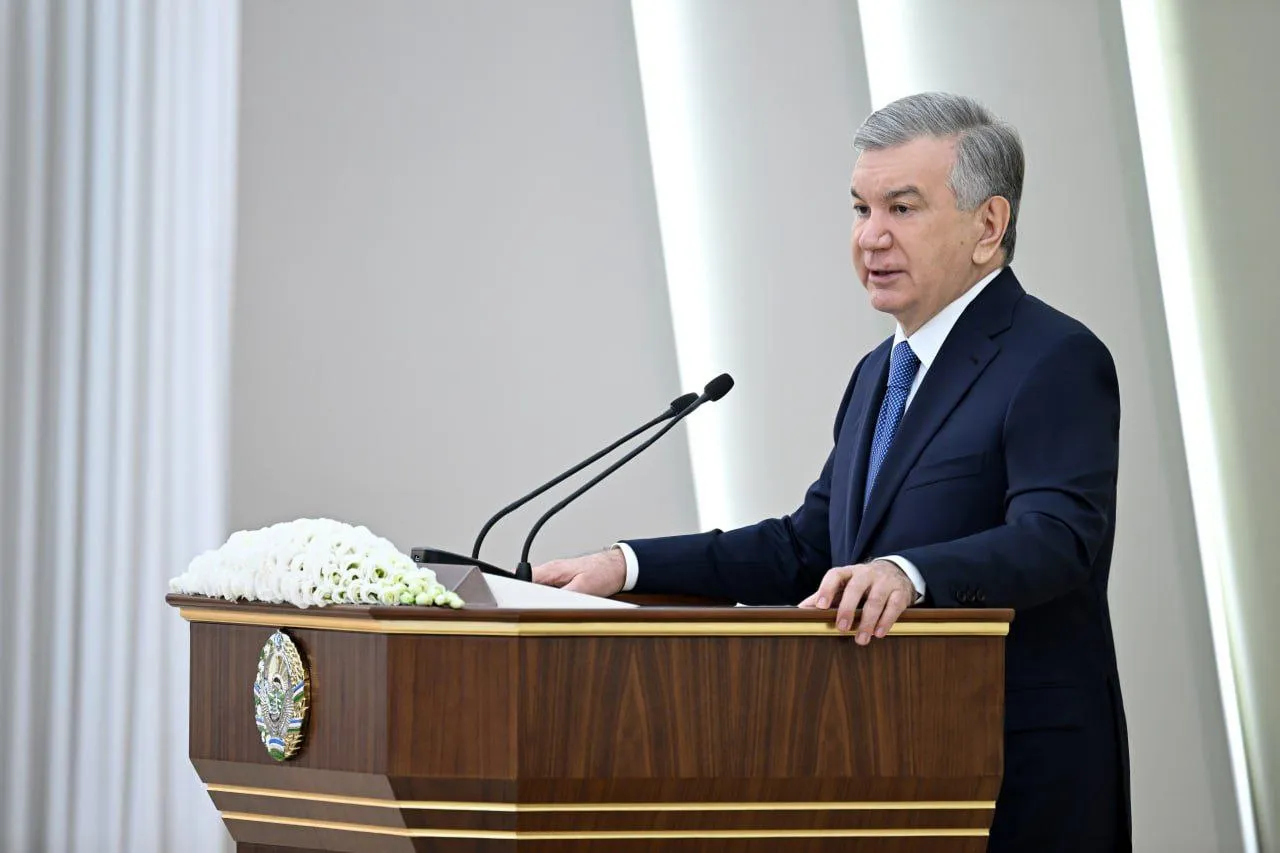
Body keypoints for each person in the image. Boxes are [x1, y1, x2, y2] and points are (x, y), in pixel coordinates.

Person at [533, 91, 1130, 853]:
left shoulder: (1053, 357)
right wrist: (627, 565)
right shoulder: (879, 373)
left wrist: (908, 573)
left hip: (1013, 772)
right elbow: (808, 547)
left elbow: (1057, 537)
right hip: (885, 765)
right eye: (859, 208)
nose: (870, 236)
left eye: (902, 208)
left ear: (989, 225)